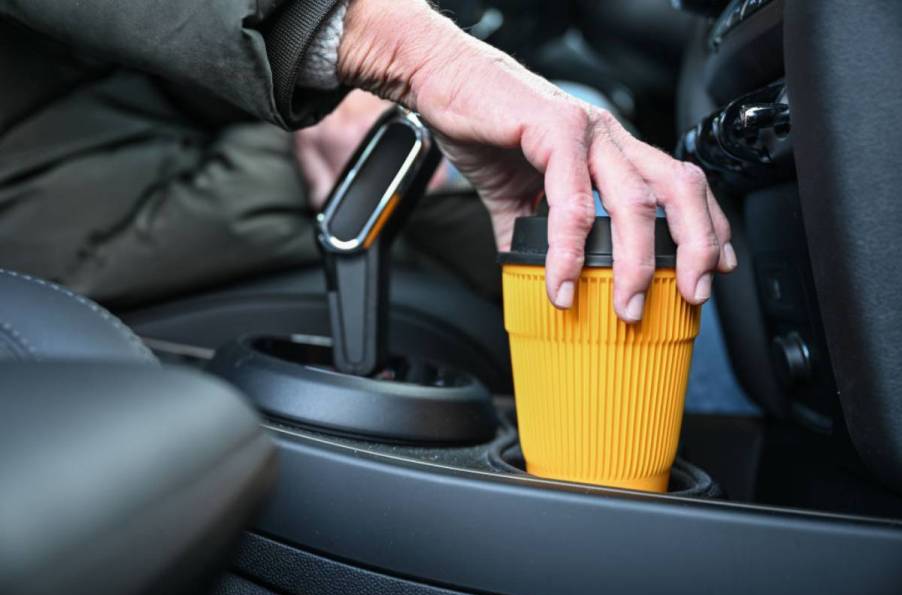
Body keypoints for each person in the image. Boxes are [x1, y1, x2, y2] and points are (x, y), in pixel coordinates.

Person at [0, 0, 736, 322]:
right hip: (62, 205)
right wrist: (387, 51)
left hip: (174, 129)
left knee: (589, 185)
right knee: (608, 224)